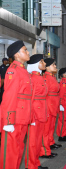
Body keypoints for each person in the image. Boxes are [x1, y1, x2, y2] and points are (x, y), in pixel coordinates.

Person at [0, 40, 32, 169]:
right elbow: (9, 97)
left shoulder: (23, 70)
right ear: (17, 54)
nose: (28, 52)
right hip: (14, 118)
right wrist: (8, 121)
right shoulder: (13, 71)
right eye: (25, 50)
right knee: (10, 153)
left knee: (19, 149)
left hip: (23, 116)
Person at [25, 54, 49, 169]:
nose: (44, 63)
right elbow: (31, 99)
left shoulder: (40, 77)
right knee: (32, 142)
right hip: (35, 113)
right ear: (36, 64)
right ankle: (30, 165)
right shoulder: (33, 78)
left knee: (38, 141)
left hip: (41, 112)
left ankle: (36, 163)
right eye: (42, 61)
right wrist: (31, 116)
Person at [40, 58, 62, 159]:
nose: (55, 66)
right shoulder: (45, 78)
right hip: (48, 105)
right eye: (53, 65)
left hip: (53, 105)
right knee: (46, 130)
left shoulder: (52, 77)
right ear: (47, 67)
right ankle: (44, 151)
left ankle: (50, 143)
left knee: (51, 128)